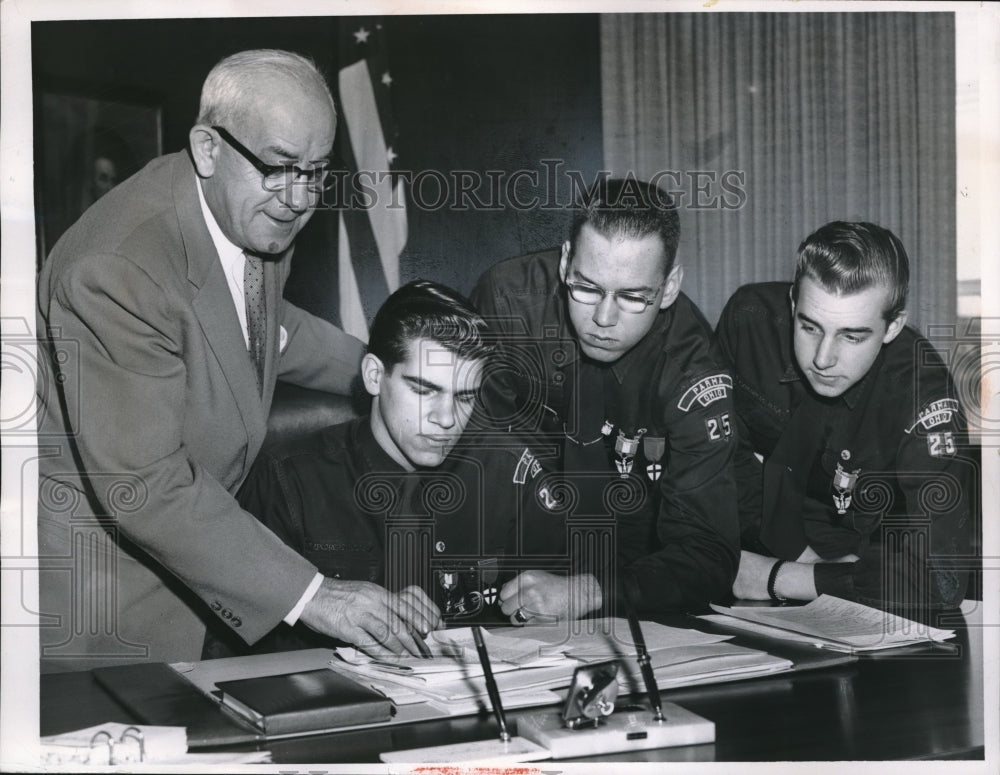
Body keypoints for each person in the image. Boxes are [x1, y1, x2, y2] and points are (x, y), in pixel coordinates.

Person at [35, 49, 432, 672]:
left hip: (204, 578)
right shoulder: (118, 270)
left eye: (317, 171)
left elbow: (266, 328)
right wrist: (314, 595)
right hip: (102, 615)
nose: (298, 197)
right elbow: (148, 489)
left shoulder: (246, 211)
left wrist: (390, 374)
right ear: (207, 148)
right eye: (279, 167)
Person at [469, 177, 741, 623]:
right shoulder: (508, 301)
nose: (603, 318)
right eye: (587, 287)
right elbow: (470, 466)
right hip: (508, 548)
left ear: (669, 287)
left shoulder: (692, 368)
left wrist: (587, 592)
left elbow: (709, 554)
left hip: (626, 574)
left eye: (633, 297)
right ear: (564, 262)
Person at [206, 280, 516, 655]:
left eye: (465, 397)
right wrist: (351, 622)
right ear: (373, 376)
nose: (447, 418)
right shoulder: (288, 480)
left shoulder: (501, 471)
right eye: (424, 390)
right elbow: (232, 647)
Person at [714, 221, 972, 614]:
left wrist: (780, 577)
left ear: (893, 326)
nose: (822, 358)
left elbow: (942, 578)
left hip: (864, 564)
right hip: (753, 535)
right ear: (792, 302)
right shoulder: (748, 321)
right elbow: (723, 455)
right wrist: (794, 559)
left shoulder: (923, 395)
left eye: (852, 336)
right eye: (809, 326)